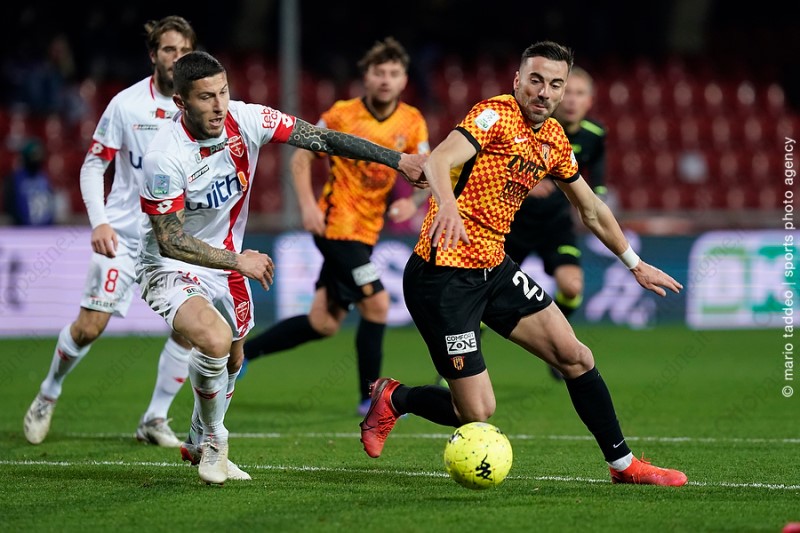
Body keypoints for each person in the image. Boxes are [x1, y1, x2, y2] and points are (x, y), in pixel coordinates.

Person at [359, 41, 688, 486]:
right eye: (536, 80)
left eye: (555, 84)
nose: (544, 92)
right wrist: (448, 207)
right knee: (476, 411)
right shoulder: (493, 115)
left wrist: (634, 262)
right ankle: (396, 398)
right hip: (442, 278)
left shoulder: (554, 139)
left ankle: (624, 466)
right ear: (518, 80)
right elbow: (438, 159)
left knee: (576, 356)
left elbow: (590, 209)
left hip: (493, 269)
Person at [138, 50, 425, 484]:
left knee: (236, 358)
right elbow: (170, 239)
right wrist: (240, 260)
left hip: (228, 260)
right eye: (205, 98)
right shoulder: (164, 155)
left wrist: (397, 160)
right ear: (181, 102)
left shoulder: (247, 119)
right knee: (215, 340)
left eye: (223, 92)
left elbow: (322, 140)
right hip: (169, 264)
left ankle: (198, 438)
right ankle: (215, 442)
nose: (219, 106)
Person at [23, 16, 200, 451]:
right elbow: (93, 165)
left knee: (190, 327)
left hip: (173, 240)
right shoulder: (126, 105)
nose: (176, 58)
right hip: (124, 237)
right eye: (169, 50)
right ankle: (48, 393)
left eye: (184, 51)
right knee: (89, 327)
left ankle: (154, 418)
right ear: (153, 55)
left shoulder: (199, 107)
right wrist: (99, 221)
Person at [240, 37, 430, 416]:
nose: (386, 80)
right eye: (379, 72)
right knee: (377, 304)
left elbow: (426, 172)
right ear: (366, 77)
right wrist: (307, 206)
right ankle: (371, 398)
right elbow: (300, 158)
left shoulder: (412, 121)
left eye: (394, 73)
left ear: (404, 80)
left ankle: (244, 352)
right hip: (335, 227)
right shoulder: (342, 114)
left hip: (367, 232)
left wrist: (412, 202)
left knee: (323, 322)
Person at [504, 65, 607, 381]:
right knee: (483, 300)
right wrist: (526, 180)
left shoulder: (594, 136)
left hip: (555, 224)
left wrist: (594, 206)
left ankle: (558, 343)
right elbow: (499, 165)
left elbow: (597, 184)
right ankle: (455, 371)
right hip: (514, 222)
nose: (572, 100)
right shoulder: (534, 126)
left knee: (572, 287)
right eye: (568, 92)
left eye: (580, 93)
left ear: (589, 101)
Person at [4, 138, 57, 226]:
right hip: (23, 229)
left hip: (46, 229)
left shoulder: (44, 177)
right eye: (33, 156)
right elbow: (10, 206)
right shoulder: (14, 179)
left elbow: (51, 203)